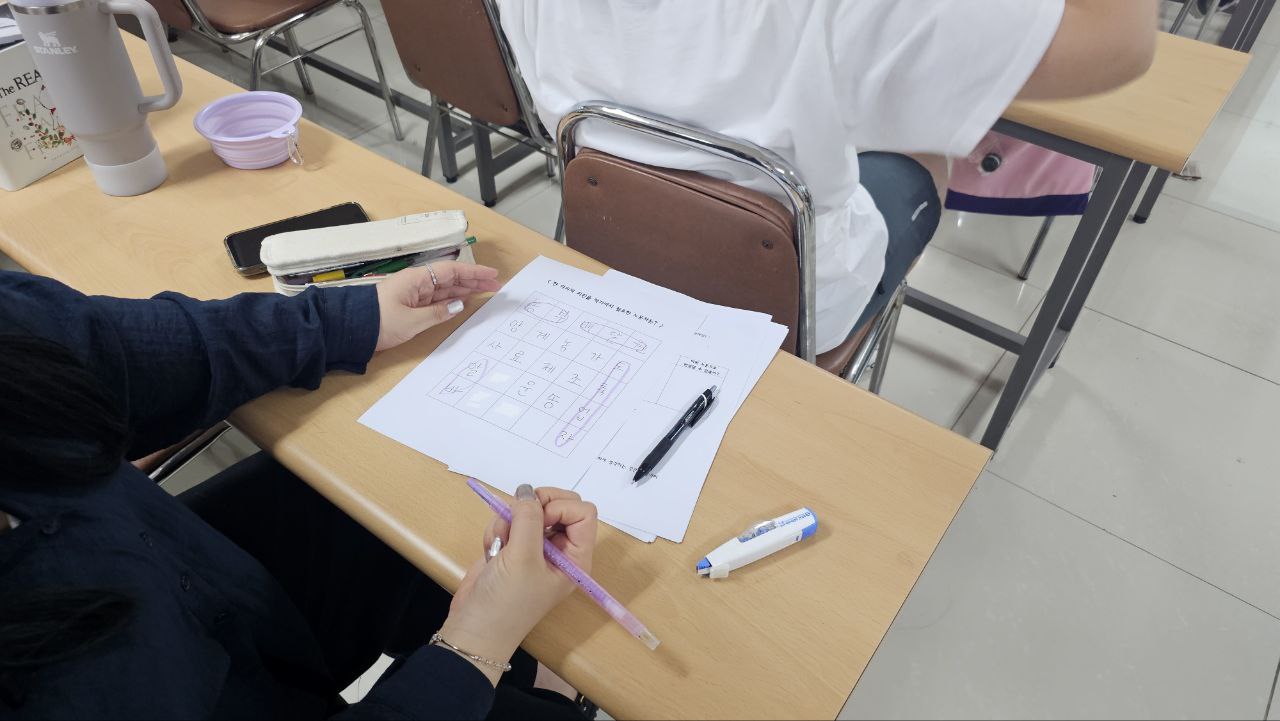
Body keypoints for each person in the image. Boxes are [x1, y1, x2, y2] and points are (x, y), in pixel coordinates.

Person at [0, 264, 598, 720]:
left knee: (381, 498)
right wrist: (474, 649)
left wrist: (352, 318)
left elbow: (116, 350)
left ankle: (516, 673)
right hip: (195, 679)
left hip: (201, 583)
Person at [496, 0, 1158, 354]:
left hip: (616, 257)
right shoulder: (850, 10)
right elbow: (1121, 44)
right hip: (798, 309)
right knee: (920, 150)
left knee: (812, 111)